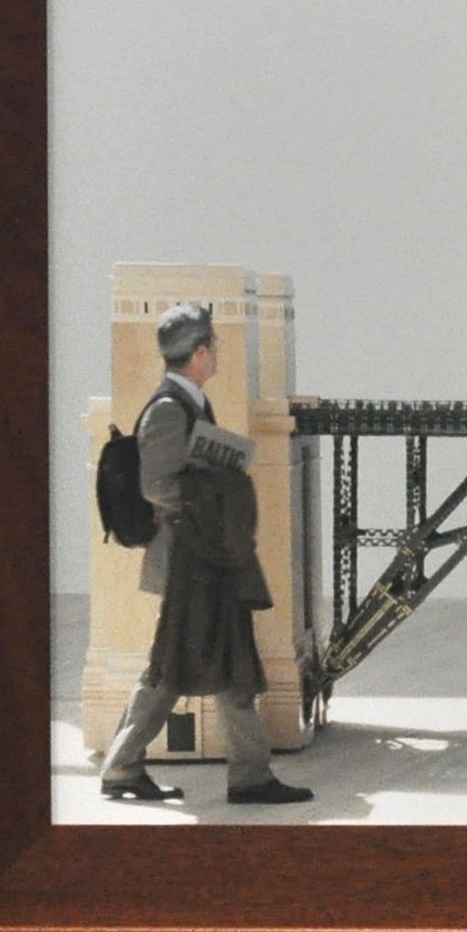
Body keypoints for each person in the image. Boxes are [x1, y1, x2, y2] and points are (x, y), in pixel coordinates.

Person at [96, 305, 313, 805]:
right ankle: (240, 776)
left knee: (206, 660)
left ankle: (139, 768)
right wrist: (215, 497)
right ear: (198, 353)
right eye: (213, 344)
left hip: (202, 557)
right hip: (188, 562)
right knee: (181, 666)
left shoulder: (189, 402)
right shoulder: (168, 409)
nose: (217, 351)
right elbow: (156, 485)